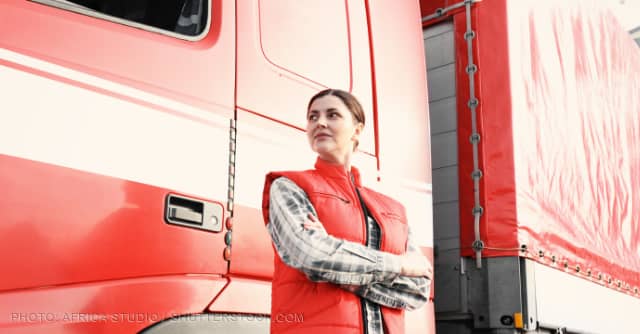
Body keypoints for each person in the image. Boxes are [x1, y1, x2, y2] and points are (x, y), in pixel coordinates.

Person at [261, 88, 432, 334]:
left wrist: (340, 267)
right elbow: (312, 256)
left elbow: (418, 289)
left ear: (357, 130)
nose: (319, 122)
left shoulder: (394, 210)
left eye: (332, 115)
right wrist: (399, 265)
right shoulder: (289, 186)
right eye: (312, 117)